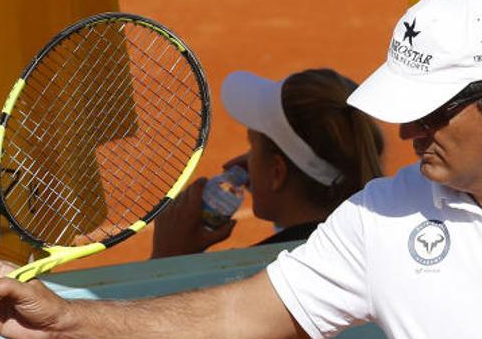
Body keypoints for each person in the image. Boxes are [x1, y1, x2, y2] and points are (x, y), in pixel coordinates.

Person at [0, 0, 482, 339]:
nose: (408, 130)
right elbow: (235, 319)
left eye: (433, 111)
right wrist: (64, 321)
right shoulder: (384, 217)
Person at [152, 68, 385, 258]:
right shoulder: (374, 242)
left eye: (253, 147)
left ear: (277, 172)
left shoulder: (252, 278)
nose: (238, 162)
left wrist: (167, 257)